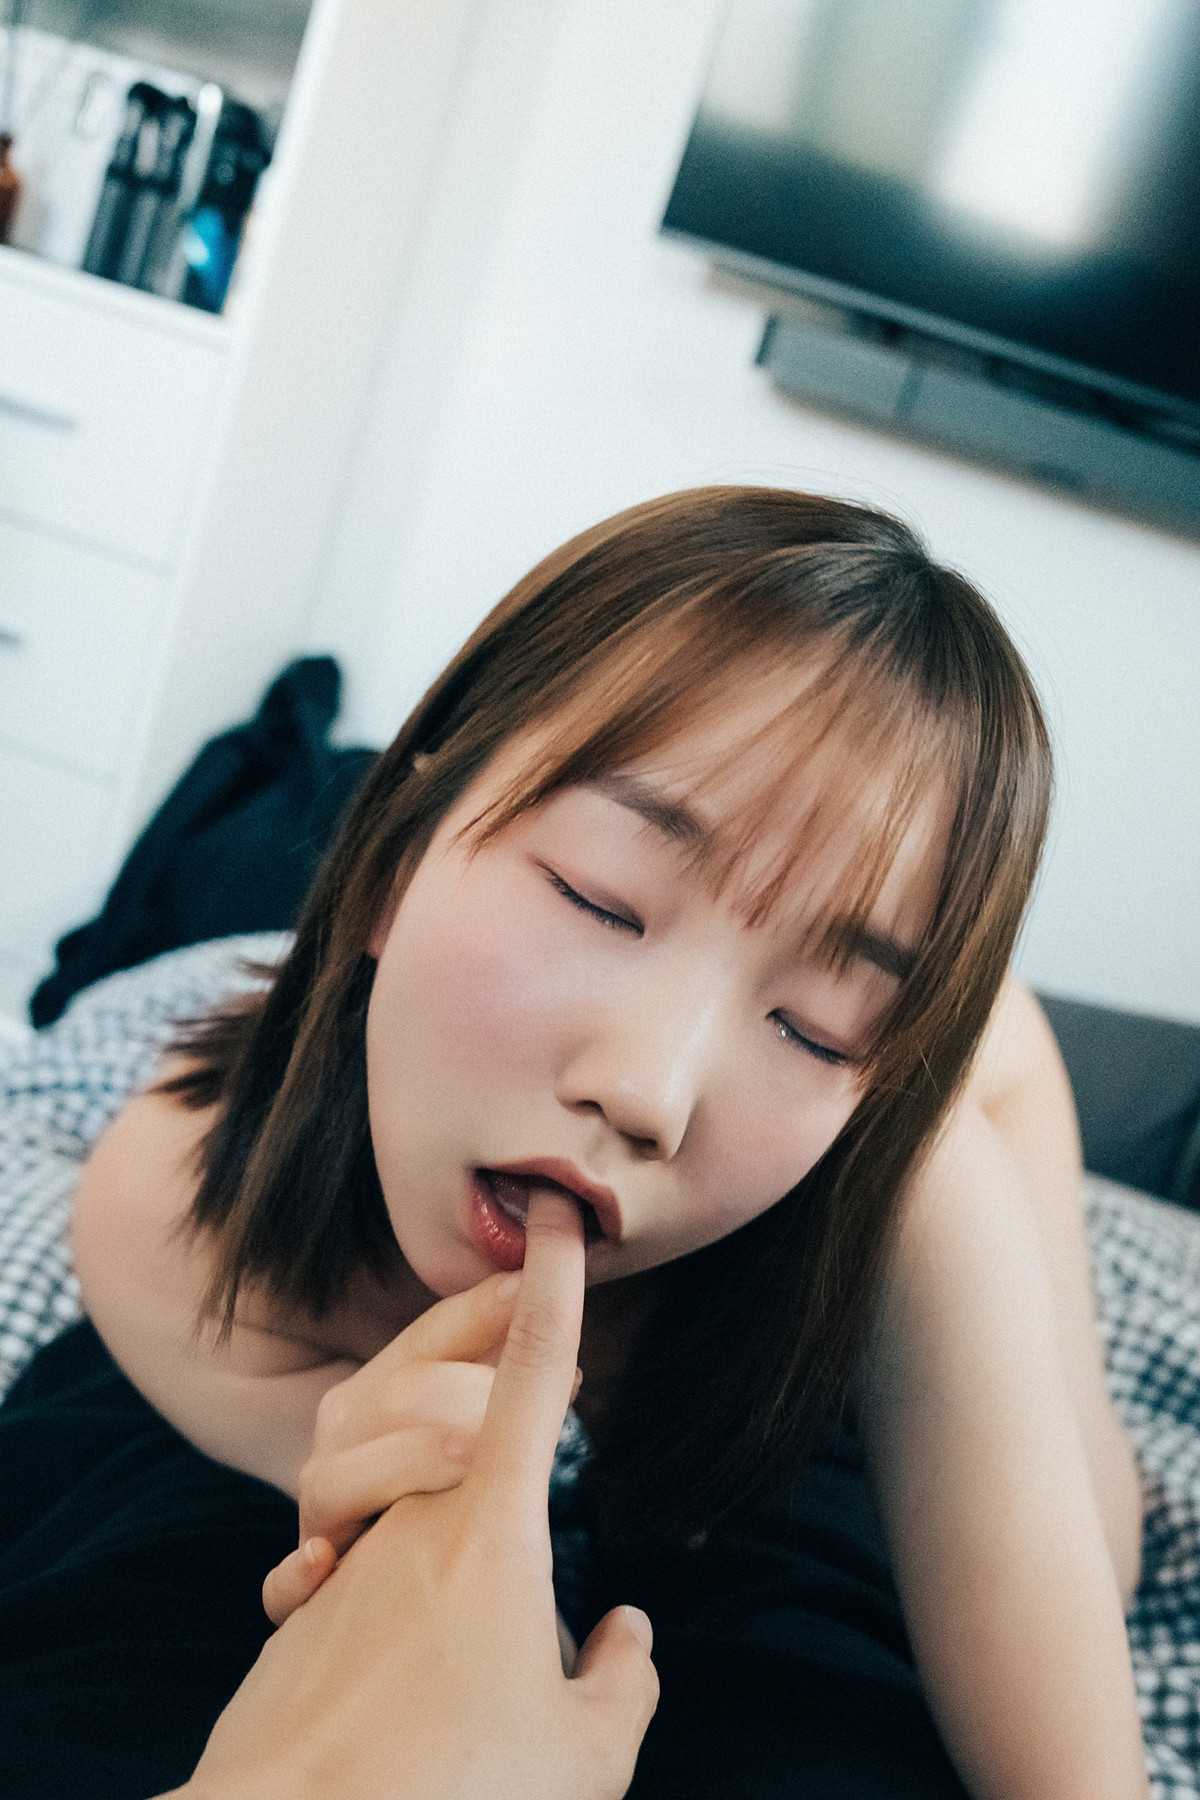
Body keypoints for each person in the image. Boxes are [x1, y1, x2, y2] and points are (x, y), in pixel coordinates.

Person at [8, 486, 1146, 1796]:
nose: (649, 1091)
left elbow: (1074, 1766)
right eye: (600, 899)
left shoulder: (918, 1173)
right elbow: (440, 1580)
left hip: (984, 1085)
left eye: (816, 1026)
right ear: (393, 862)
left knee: (1097, 1530)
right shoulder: (163, 1196)